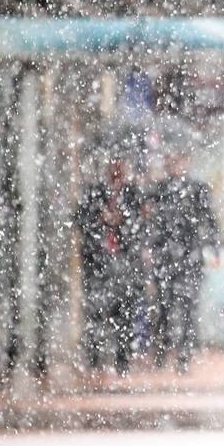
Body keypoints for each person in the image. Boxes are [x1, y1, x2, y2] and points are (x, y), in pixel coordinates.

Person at [148, 150, 219, 372]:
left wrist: (211, 247)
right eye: (172, 160)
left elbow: (210, 221)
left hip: (190, 256)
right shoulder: (158, 191)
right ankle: (162, 351)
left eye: (180, 160)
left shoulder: (198, 190)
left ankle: (184, 356)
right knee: (164, 307)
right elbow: (152, 224)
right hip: (166, 257)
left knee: (188, 308)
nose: (176, 164)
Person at [76, 157, 146, 375]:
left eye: (122, 165)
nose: (118, 170)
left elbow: (141, 226)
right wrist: (100, 221)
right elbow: (80, 222)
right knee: (96, 312)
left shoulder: (134, 195)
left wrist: (123, 222)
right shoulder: (94, 192)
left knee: (124, 312)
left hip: (125, 262)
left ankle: (122, 360)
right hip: (98, 262)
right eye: (115, 165)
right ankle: (95, 359)